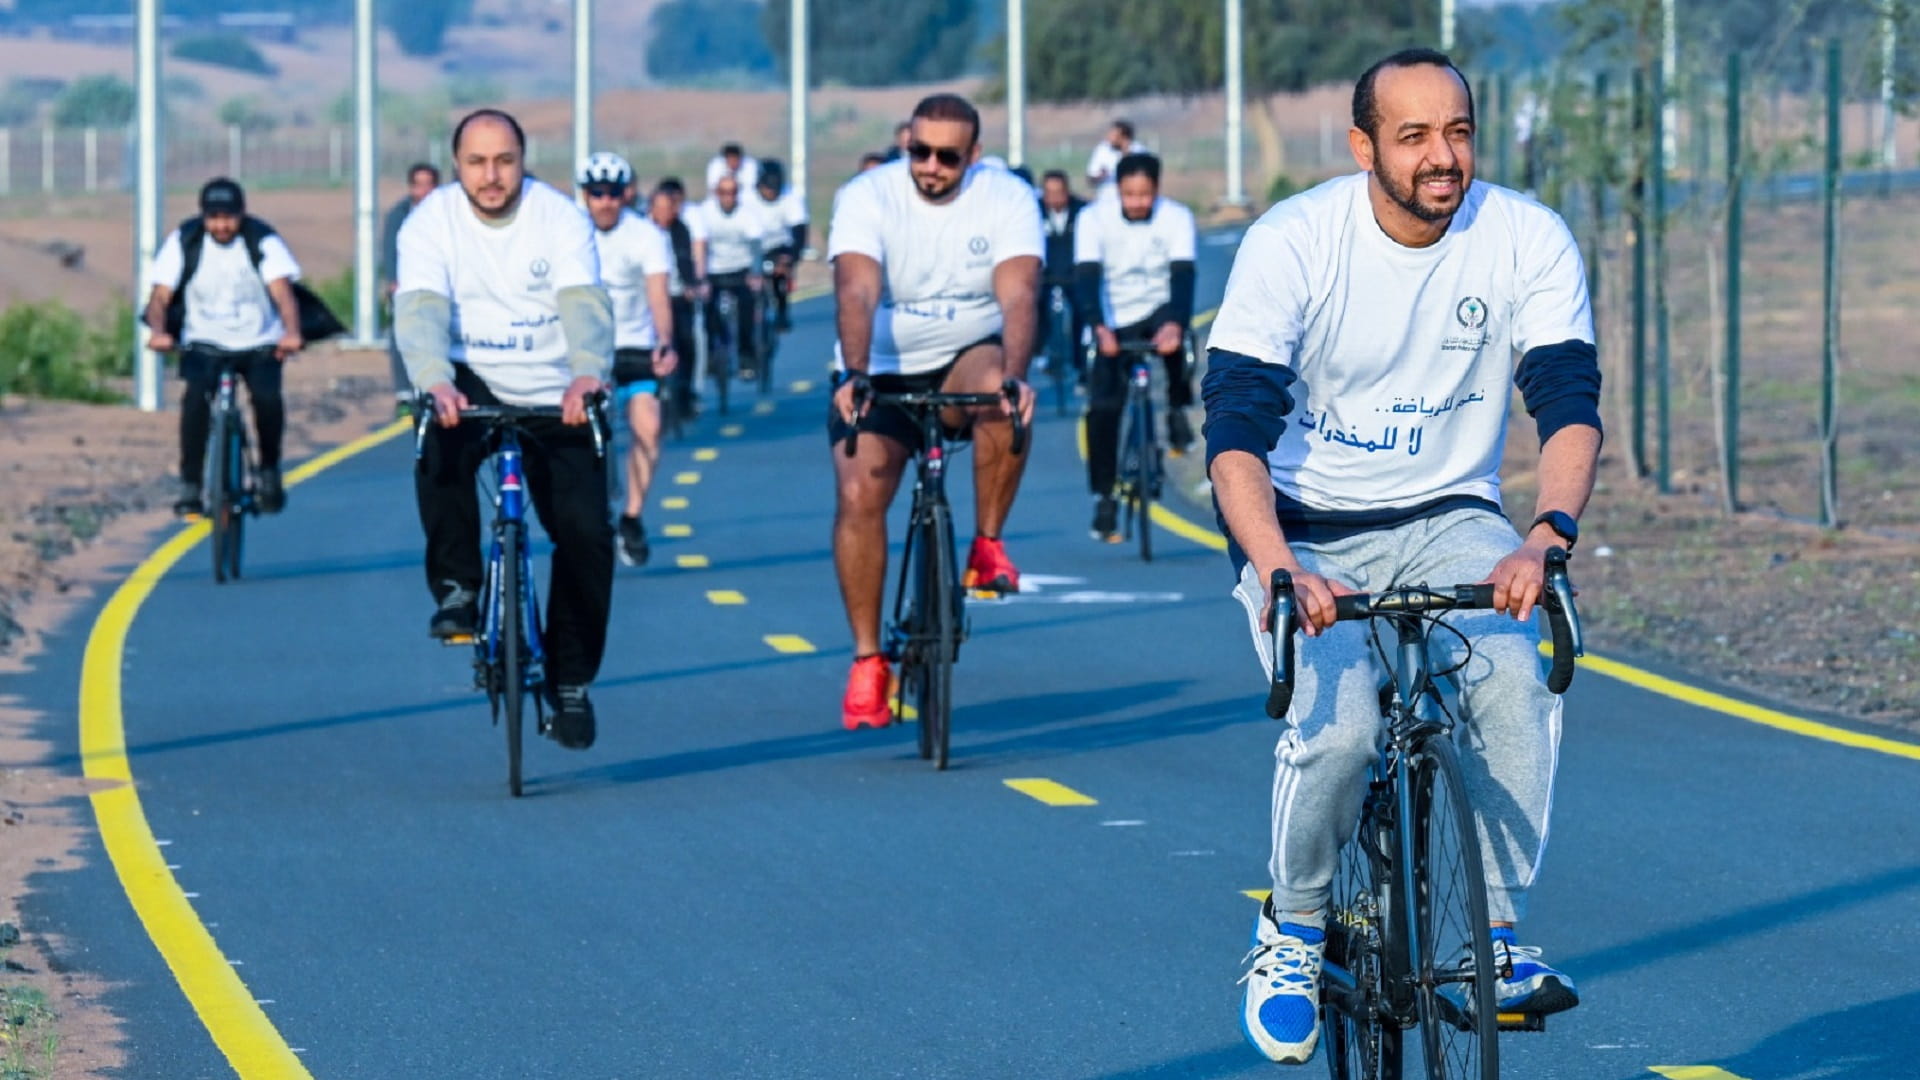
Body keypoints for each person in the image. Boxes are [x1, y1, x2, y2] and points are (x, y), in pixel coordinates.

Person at [1205, 49, 1597, 1063]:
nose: (1442, 157)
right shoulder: (1296, 240)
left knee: (1517, 668)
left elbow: (1566, 404)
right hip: (1304, 524)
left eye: (1458, 132)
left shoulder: (1526, 237)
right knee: (1338, 729)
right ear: (1364, 145)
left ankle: (1496, 935)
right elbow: (1234, 433)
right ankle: (1292, 928)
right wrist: (1281, 567)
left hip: (1452, 510)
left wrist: (1548, 534)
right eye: (1414, 135)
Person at [395, 108, 616, 750]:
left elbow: (583, 304)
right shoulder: (430, 222)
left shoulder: (559, 217)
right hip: (470, 375)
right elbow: (421, 310)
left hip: (556, 384)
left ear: (523, 159)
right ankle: (459, 587)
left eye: (504, 161)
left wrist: (585, 374)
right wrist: (434, 379)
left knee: (584, 534)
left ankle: (570, 681)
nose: (491, 177)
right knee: (435, 443)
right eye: (477, 162)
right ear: (456, 164)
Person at [827, 92, 1041, 730]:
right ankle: (868, 661)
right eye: (918, 150)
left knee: (1003, 394)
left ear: (973, 157)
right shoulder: (868, 196)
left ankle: (987, 543)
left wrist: (1020, 375)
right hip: (882, 365)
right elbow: (857, 289)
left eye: (947, 156)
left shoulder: (1006, 198)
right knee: (861, 493)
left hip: (964, 354)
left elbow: (1021, 295)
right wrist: (857, 373)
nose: (930, 166)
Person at [143, 177, 304, 519]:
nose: (221, 225)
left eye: (228, 217)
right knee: (195, 404)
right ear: (203, 216)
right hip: (204, 341)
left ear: (241, 214)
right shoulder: (185, 240)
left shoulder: (261, 239)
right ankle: (190, 485)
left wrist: (291, 332)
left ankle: (269, 470)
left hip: (259, 340)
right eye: (213, 217)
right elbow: (160, 296)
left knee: (267, 400)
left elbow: (282, 293)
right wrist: (158, 331)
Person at [1072, 152, 1197, 542]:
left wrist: (1174, 323)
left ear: (1157, 190)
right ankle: (1104, 496)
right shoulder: (1093, 219)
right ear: (1118, 191)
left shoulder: (1177, 218)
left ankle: (1176, 409)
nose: (1138, 202)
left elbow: (1182, 277)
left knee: (1179, 346)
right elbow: (1087, 279)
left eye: (1145, 194)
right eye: (1130, 194)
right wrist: (1098, 327)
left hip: (1158, 308)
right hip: (1112, 315)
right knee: (1104, 407)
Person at [578, 152, 676, 568]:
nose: (605, 201)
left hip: (634, 345)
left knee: (648, 428)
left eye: (614, 193)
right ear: (585, 195)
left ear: (627, 193)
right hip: (585, 349)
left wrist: (665, 341)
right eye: (597, 193)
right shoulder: (570, 232)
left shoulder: (647, 235)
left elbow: (657, 293)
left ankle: (632, 515)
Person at [686, 174, 771, 380]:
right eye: (724, 192)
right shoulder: (704, 213)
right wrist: (700, 279)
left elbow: (755, 247)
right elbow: (699, 246)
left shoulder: (747, 215)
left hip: (741, 270)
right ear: (716, 193)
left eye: (733, 192)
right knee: (708, 312)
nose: (728, 197)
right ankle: (713, 356)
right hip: (714, 272)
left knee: (746, 309)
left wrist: (756, 274)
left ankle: (746, 357)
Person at [380, 162, 441, 413]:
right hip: (407, 283)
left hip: (439, 284)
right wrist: (394, 281)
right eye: (419, 185)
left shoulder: (448, 213)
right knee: (400, 333)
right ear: (411, 188)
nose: (424, 191)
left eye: (430, 184)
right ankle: (404, 394)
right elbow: (389, 251)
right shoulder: (399, 215)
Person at [648, 180, 705, 421]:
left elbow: (686, 260)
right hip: (651, 298)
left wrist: (693, 285)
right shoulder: (643, 232)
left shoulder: (680, 229)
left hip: (678, 295)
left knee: (689, 340)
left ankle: (687, 389)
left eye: (670, 208)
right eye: (661, 208)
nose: (667, 213)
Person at [1037, 169, 1087, 381]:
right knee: (1034, 306)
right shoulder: (1032, 211)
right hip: (1044, 275)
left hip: (1073, 275)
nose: (1054, 198)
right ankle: (1041, 352)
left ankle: (1080, 361)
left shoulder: (1083, 211)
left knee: (1082, 311)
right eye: (1049, 192)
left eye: (1059, 192)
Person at [748, 158, 809, 332]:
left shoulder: (791, 197)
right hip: (754, 245)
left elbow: (799, 231)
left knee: (780, 275)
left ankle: (782, 310)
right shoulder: (746, 199)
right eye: (768, 188)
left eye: (775, 189)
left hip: (780, 245)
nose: (771, 193)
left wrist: (792, 258)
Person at [1084, 119, 1148, 198]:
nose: (1109, 137)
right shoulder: (1102, 150)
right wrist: (1100, 176)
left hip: (1132, 199)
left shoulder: (1139, 151)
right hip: (1106, 199)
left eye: (1113, 135)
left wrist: (1126, 154)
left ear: (1124, 137)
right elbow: (1090, 178)